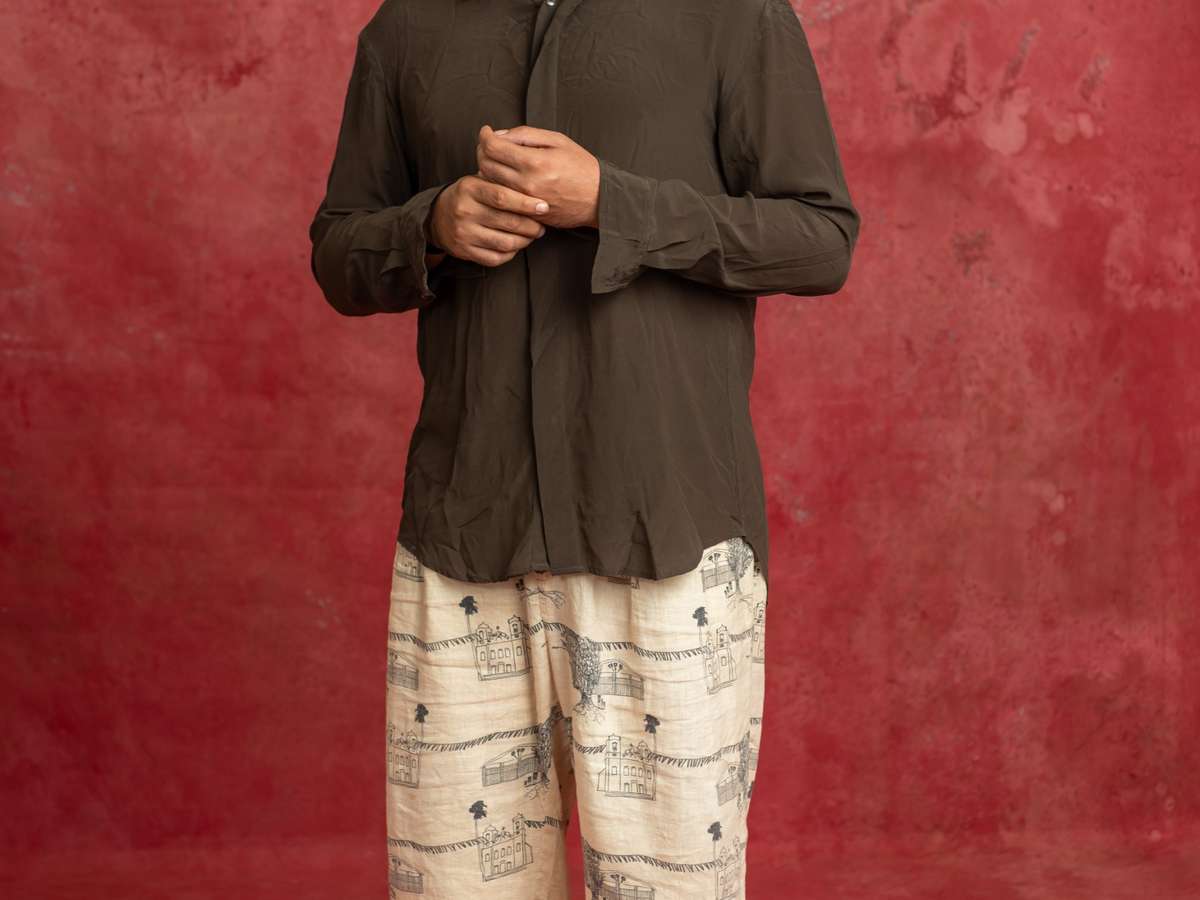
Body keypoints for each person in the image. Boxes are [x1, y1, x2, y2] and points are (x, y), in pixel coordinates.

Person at [308, 0, 860, 896]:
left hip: (666, 537)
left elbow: (822, 240)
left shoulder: (734, 15)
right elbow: (337, 250)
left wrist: (614, 203)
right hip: (465, 540)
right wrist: (431, 226)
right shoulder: (407, 26)